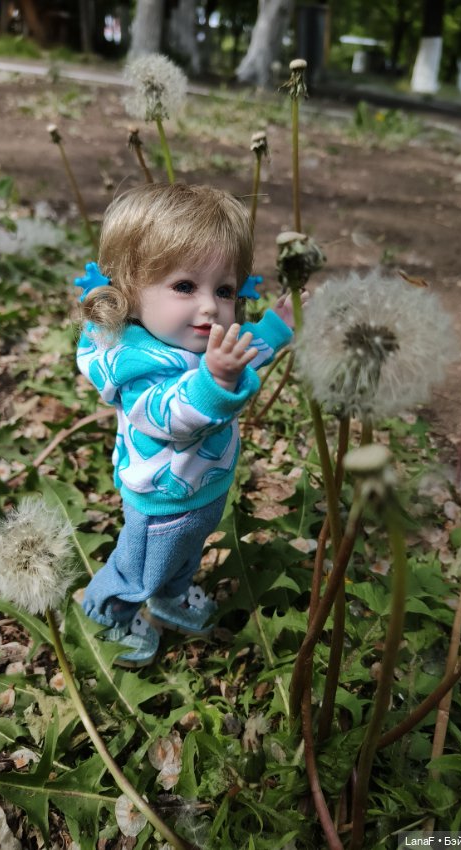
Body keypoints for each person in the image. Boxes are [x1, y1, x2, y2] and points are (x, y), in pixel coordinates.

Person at [76, 182, 301, 667]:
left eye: (223, 290)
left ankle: (170, 598)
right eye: (184, 286)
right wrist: (215, 382)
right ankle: (110, 614)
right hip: (160, 502)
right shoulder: (136, 367)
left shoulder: (204, 344)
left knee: (186, 556)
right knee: (140, 568)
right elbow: (171, 416)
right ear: (129, 293)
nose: (209, 306)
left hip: (204, 490)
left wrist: (276, 327)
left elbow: (245, 352)